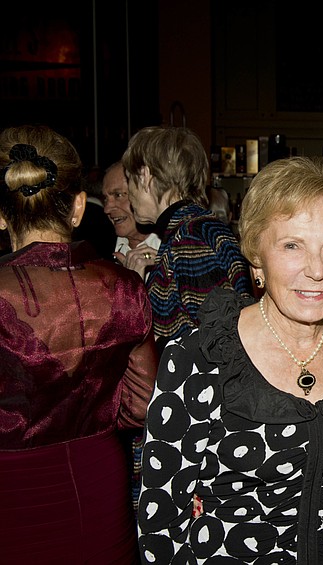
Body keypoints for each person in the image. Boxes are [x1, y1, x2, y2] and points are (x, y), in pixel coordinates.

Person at [138, 157, 323, 563]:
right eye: (292, 246)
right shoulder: (201, 357)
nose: (317, 270)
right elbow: (161, 518)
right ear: (256, 258)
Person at [0, 125, 158, 563]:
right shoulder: (123, 288)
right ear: (77, 208)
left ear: (1, 214)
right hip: (95, 480)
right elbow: (142, 404)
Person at [121, 126, 252, 347]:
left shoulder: (189, 237)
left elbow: (216, 341)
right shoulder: (195, 229)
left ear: (144, 176)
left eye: (129, 179)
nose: (128, 193)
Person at [103, 162, 161, 279]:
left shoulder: (175, 247)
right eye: (105, 198)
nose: (107, 208)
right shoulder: (100, 251)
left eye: (118, 195)